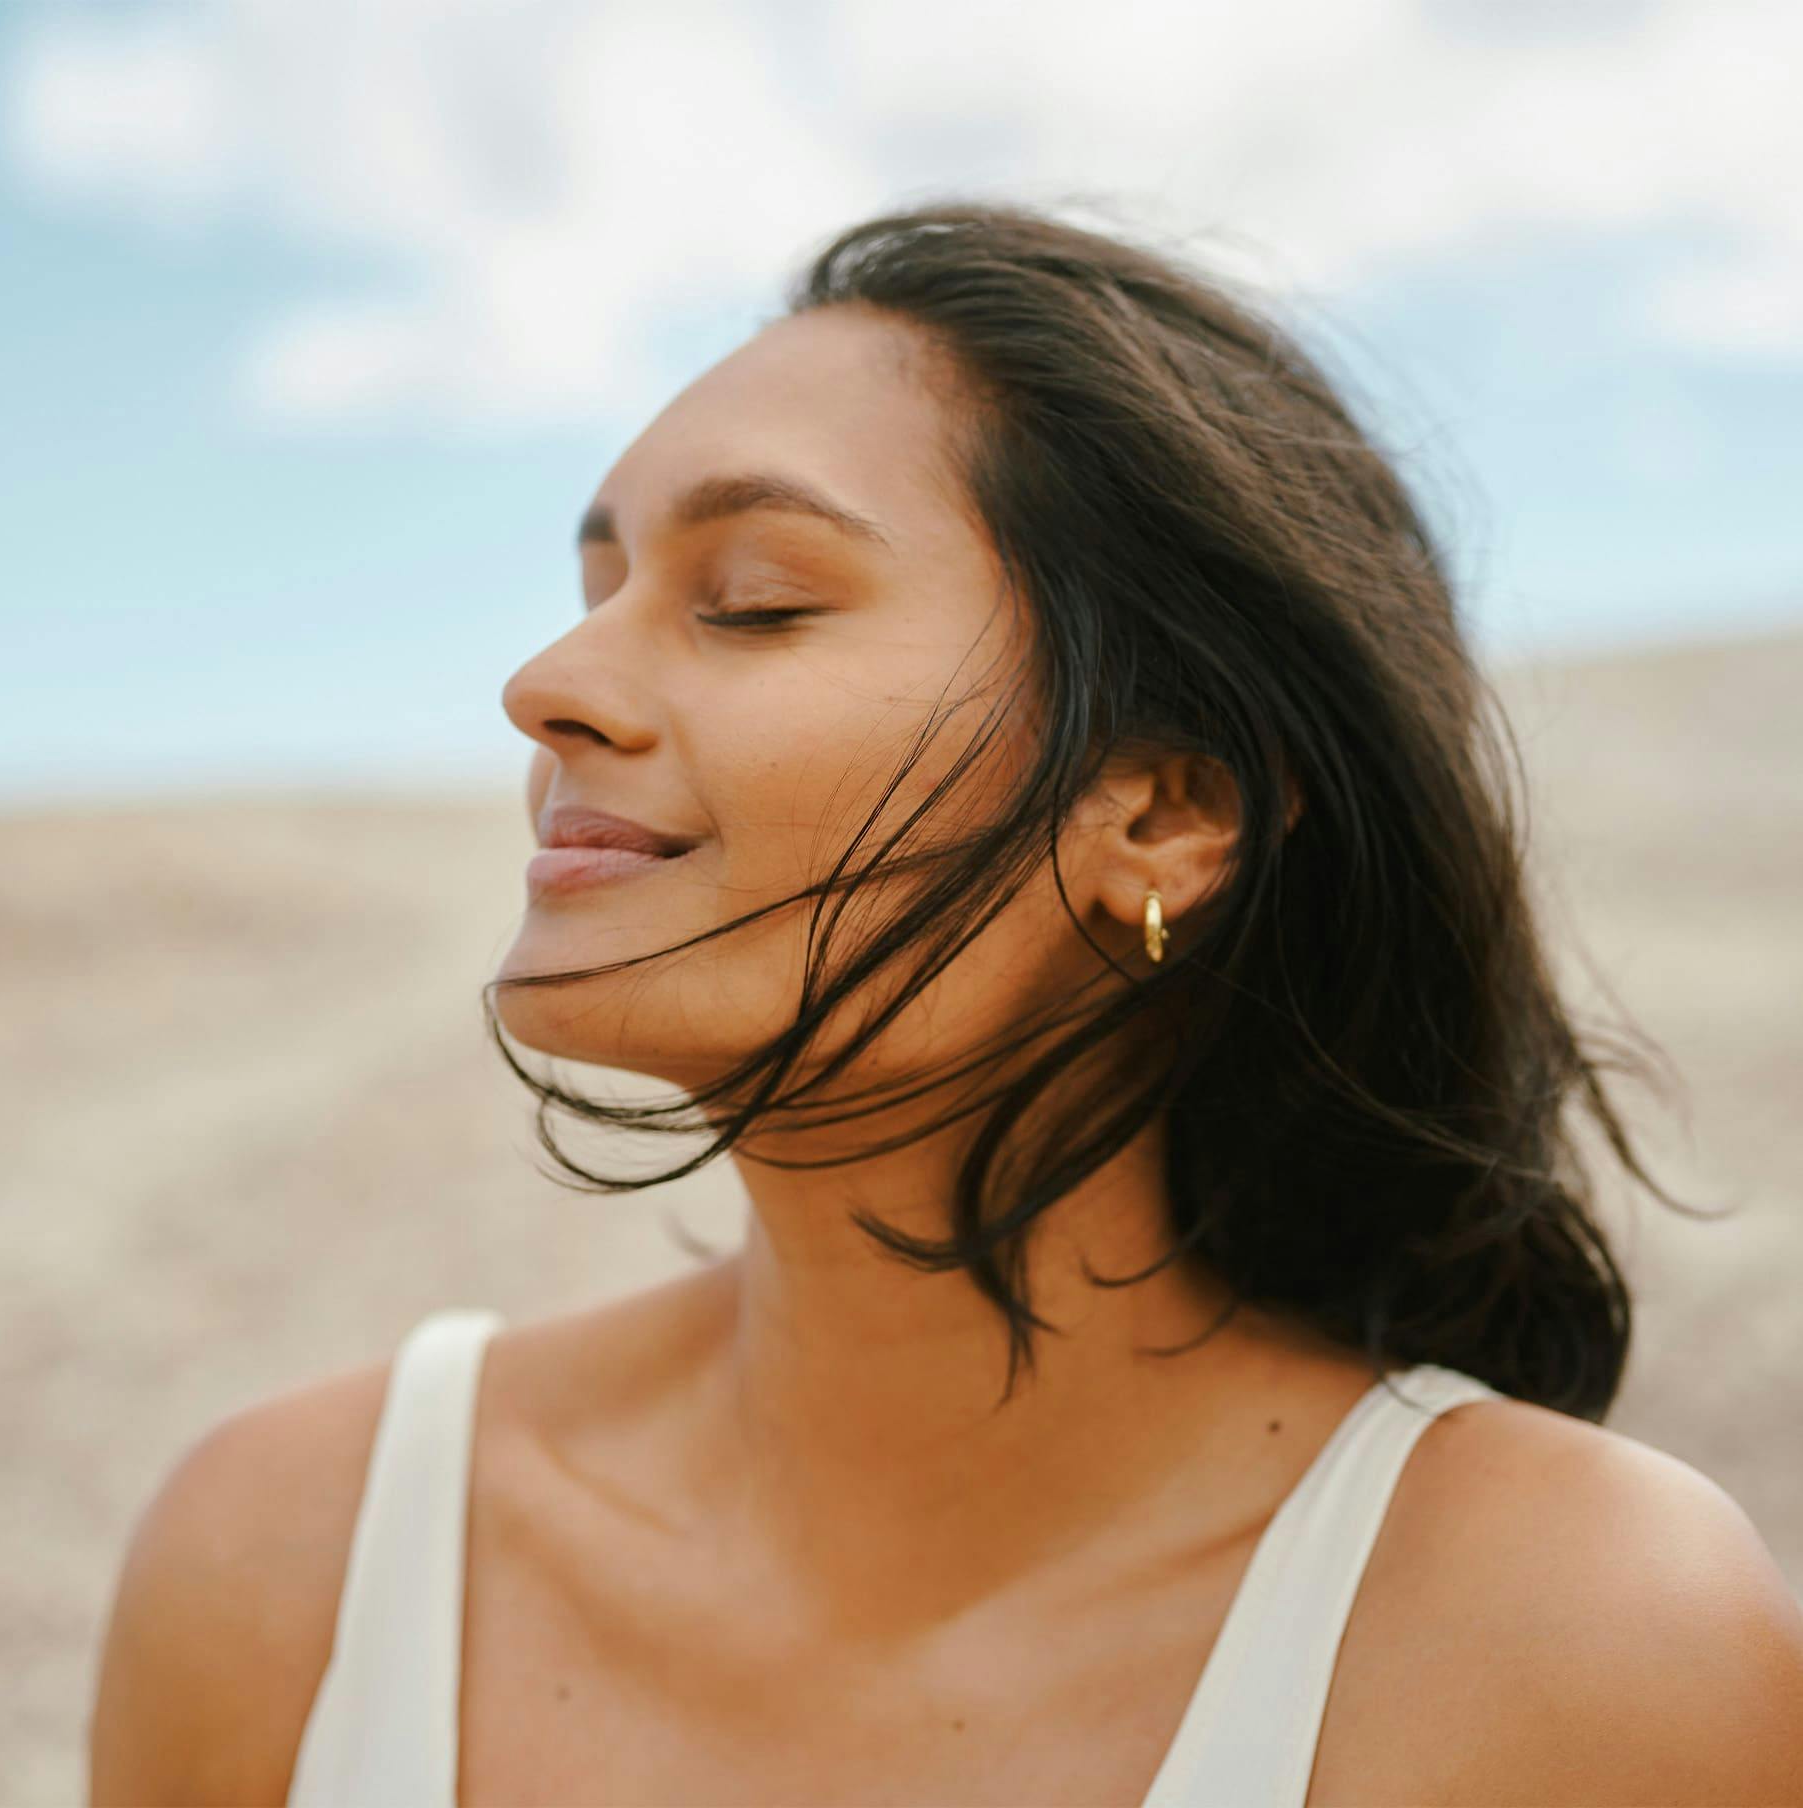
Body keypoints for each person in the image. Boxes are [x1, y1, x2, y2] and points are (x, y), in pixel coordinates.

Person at [89, 199, 1803, 1807]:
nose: (548, 685)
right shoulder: (291, 1555)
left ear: (1160, 809)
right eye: (596, 588)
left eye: (751, 603)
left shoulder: (1579, 1644)